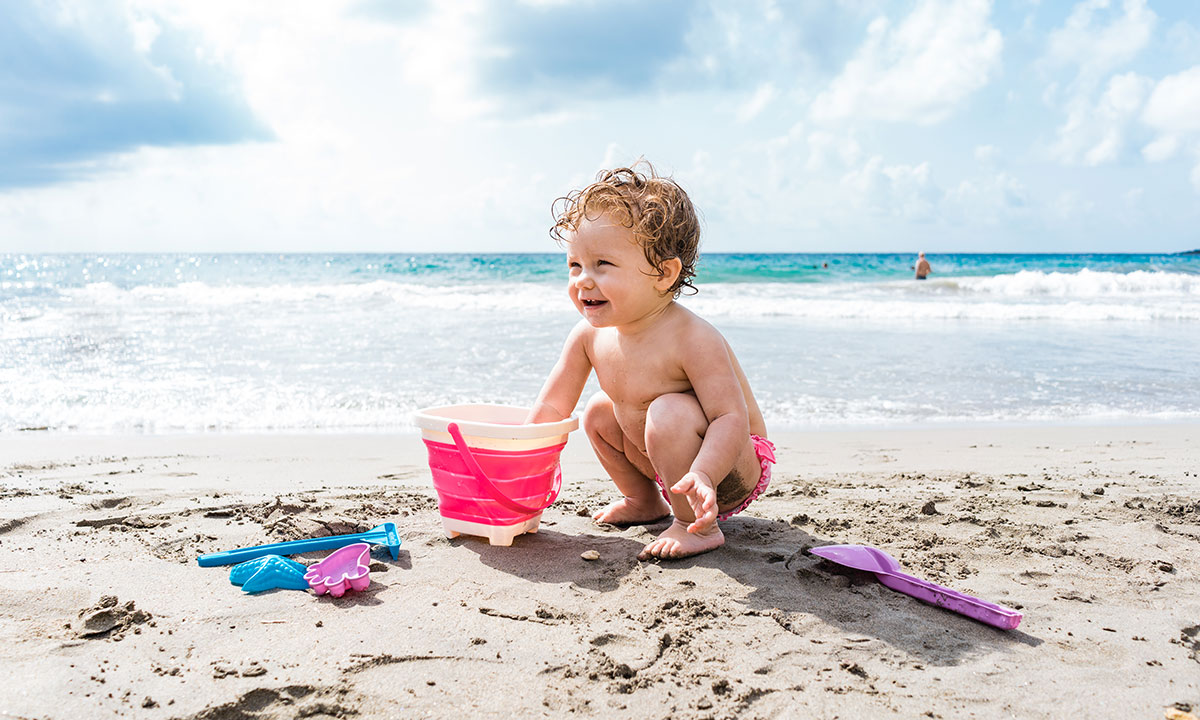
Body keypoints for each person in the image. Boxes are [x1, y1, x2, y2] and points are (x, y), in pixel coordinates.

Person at [527, 163, 775, 560]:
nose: (583, 280)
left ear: (663, 273)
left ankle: (697, 526)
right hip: (662, 463)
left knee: (668, 412)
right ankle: (644, 500)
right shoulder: (589, 336)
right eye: (575, 264)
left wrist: (706, 473)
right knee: (597, 411)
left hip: (727, 469)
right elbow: (553, 407)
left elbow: (732, 418)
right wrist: (519, 455)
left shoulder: (693, 338)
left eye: (602, 264)